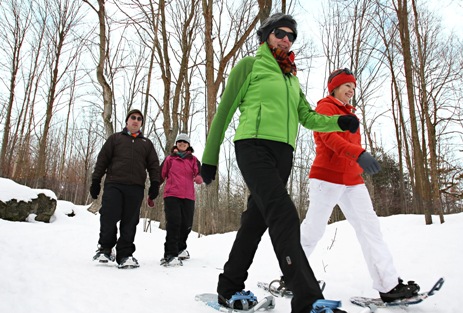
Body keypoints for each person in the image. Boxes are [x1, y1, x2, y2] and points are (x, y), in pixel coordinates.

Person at [200, 13, 360, 313]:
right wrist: (209, 158)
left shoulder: (291, 77)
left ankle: (229, 285)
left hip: (283, 154)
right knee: (283, 212)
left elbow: (308, 117)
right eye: (280, 33)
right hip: (253, 146)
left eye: (291, 36)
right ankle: (307, 299)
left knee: (255, 222)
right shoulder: (250, 65)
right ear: (266, 35)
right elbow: (224, 111)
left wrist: (340, 120)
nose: (286, 39)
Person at [300, 68, 420, 302]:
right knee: (314, 228)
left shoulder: (351, 114)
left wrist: (358, 159)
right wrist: (359, 153)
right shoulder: (325, 107)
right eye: (347, 86)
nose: (351, 91)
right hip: (327, 176)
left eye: (353, 88)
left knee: (370, 229)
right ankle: (291, 275)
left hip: (352, 179)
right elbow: (330, 138)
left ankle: (389, 285)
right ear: (334, 87)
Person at [90, 109, 160, 269]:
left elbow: (154, 166)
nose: (136, 121)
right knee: (108, 215)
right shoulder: (115, 139)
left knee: (130, 221)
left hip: (136, 187)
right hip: (114, 183)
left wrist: (155, 183)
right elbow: (102, 160)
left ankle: (125, 254)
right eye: (133, 118)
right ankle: (105, 249)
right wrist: (96, 180)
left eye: (139, 119)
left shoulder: (146, 144)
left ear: (141, 123)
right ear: (127, 121)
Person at [159, 133, 202, 267]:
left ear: (189, 145)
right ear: (176, 144)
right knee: (174, 223)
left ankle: (181, 248)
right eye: (180, 142)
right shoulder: (170, 159)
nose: (182, 143)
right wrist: (153, 190)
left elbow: (199, 172)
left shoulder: (193, 160)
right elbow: (161, 175)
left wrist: (199, 177)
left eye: (185, 142)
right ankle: (170, 254)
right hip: (172, 195)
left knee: (186, 224)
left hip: (188, 196)